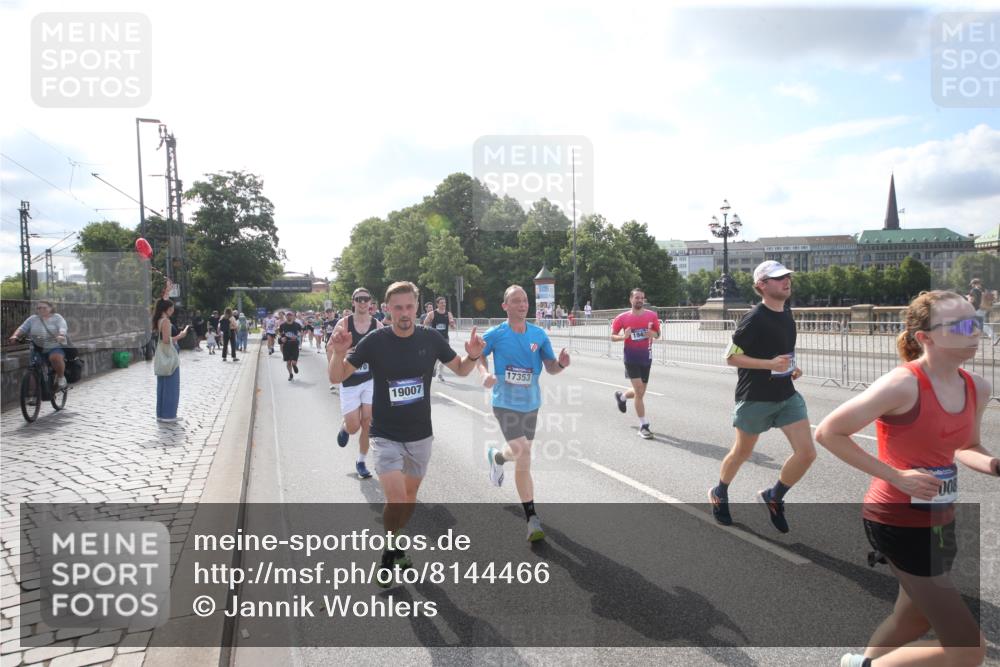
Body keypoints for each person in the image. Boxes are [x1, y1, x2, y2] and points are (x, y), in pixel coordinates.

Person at [816, 291, 993, 667]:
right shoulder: (902, 384)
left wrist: (994, 464)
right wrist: (897, 476)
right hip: (897, 519)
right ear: (925, 337)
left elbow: (967, 445)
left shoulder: (977, 386)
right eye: (961, 326)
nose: (974, 332)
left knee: (911, 618)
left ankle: (858, 663)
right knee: (968, 649)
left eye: (976, 322)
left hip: (941, 520)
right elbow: (829, 432)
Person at [328, 281, 484, 585]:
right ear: (387, 309)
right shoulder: (374, 341)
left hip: (421, 435)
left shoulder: (431, 338)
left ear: (416, 306)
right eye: (397, 307)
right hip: (385, 433)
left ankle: (396, 543)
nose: (404, 313)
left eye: (409, 306)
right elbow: (338, 376)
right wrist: (338, 352)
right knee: (397, 498)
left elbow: (461, 369)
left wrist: (474, 356)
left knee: (410, 498)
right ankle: (389, 550)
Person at [709, 261, 815, 533]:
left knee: (806, 454)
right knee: (742, 452)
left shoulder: (787, 312)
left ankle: (774, 496)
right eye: (778, 278)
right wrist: (769, 364)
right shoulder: (753, 318)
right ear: (761, 286)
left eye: (787, 276)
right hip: (755, 397)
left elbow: (780, 351)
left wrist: (791, 367)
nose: (786, 281)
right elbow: (730, 357)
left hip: (786, 395)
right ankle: (720, 492)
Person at [480, 285, 570, 542]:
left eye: (525, 301)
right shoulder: (496, 334)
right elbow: (479, 356)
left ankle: (497, 457)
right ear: (505, 306)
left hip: (531, 403)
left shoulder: (539, 334)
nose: (522, 305)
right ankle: (531, 517)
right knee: (524, 453)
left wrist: (561, 364)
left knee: (518, 453)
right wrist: (484, 374)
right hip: (504, 402)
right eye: (516, 301)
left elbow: (550, 367)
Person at [330, 287, 382, 479]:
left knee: (367, 421)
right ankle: (345, 427)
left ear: (370, 303)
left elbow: (387, 350)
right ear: (353, 302)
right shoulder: (343, 324)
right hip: (349, 381)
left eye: (365, 299)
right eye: (358, 299)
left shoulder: (377, 325)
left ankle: (361, 461)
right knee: (354, 427)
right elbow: (331, 349)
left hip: (369, 380)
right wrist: (342, 354)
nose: (362, 302)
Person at [610, 288, 661, 439]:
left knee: (640, 392)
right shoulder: (622, 318)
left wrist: (653, 334)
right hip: (631, 358)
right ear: (631, 300)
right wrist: (623, 337)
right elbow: (612, 337)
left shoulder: (652, 316)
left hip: (646, 358)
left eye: (642, 298)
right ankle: (644, 426)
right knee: (639, 391)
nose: (639, 300)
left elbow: (658, 334)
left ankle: (622, 397)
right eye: (637, 298)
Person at [8, 300, 69, 389]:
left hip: (54, 345)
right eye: (39, 308)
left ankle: (60, 377)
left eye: (44, 308)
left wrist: (61, 335)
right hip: (37, 347)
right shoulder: (32, 319)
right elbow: (22, 328)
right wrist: (15, 336)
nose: (41, 310)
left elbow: (62, 327)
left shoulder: (57, 317)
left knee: (55, 358)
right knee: (33, 369)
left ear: (51, 308)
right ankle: (32, 395)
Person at [152, 298, 190, 422]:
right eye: (172, 308)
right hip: (169, 356)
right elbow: (166, 340)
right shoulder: (166, 321)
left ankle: (161, 414)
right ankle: (169, 415)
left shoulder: (159, 320)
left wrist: (167, 289)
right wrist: (181, 335)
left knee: (162, 386)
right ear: (167, 309)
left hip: (162, 355)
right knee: (171, 386)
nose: (173, 310)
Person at [423, 296, 456, 381]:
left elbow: (453, 326)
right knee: (436, 357)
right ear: (437, 304)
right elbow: (425, 324)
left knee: (445, 358)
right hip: (435, 339)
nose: (443, 304)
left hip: (445, 339)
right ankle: (434, 368)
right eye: (441, 303)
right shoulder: (432, 314)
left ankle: (440, 374)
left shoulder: (448, 314)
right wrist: (427, 331)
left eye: (444, 303)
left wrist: (452, 324)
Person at [278, 311, 302, 381]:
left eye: (290, 315)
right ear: (286, 316)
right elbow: (279, 334)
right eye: (287, 315)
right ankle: (290, 374)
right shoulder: (282, 325)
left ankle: (294, 365)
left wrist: (297, 336)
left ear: (293, 316)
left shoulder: (297, 325)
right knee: (288, 362)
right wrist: (281, 338)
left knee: (293, 362)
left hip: (294, 345)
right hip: (286, 345)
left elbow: (301, 333)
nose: (289, 317)